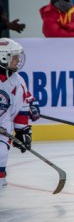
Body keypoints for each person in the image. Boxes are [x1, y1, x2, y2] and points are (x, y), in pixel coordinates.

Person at [0, 38, 38, 188]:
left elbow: (21, 107)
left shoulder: (18, 81)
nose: (18, 61)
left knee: (1, 154)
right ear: (3, 57)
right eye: (14, 57)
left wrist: (22, 132)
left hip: (3, 124)